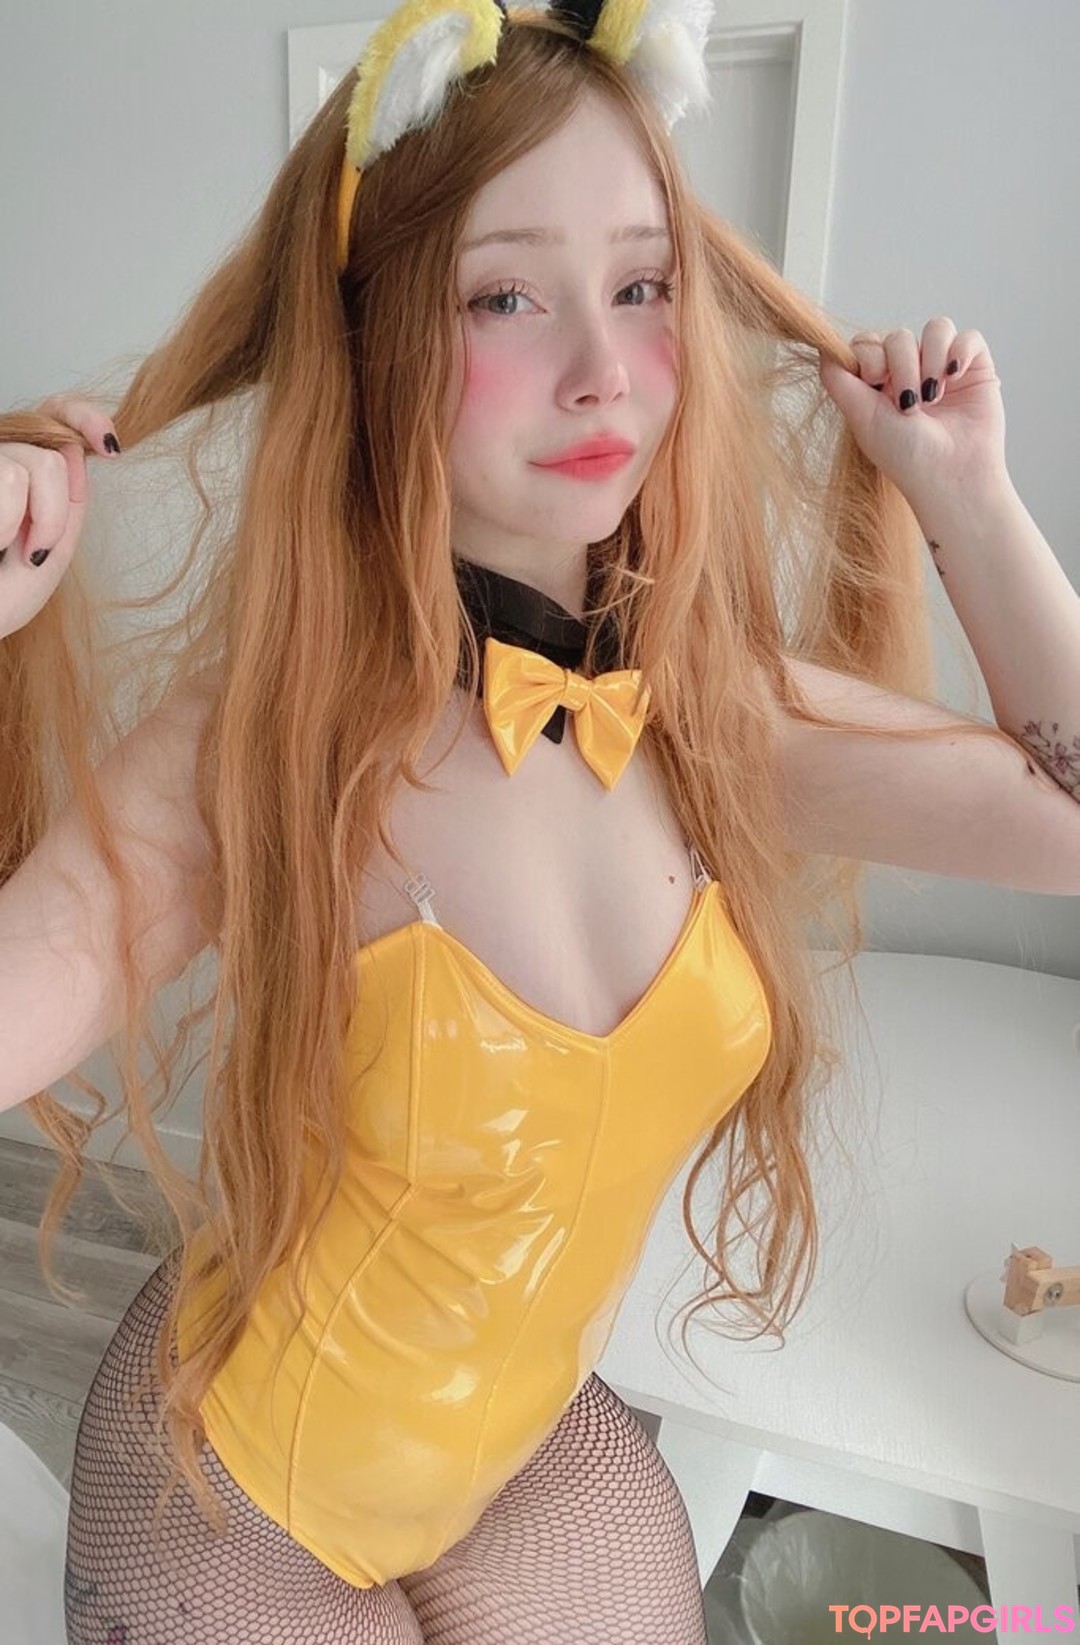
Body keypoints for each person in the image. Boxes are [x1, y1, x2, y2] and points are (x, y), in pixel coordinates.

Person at [1, 0, 1078, 1639]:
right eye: (506, 294)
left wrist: (968, 496)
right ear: (376, 337)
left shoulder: (718, 712)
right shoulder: (258, 749)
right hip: (233, 1492)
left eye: (641, 287)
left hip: (523, 1446)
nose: (602, 372)